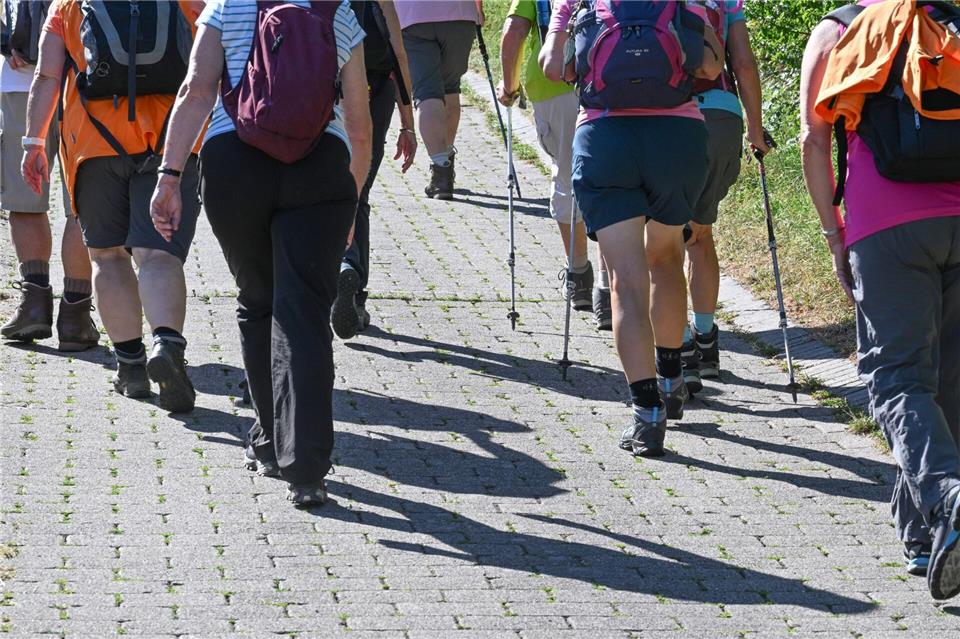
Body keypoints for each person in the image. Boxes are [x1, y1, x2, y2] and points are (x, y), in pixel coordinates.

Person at [150, 0, 372, 507]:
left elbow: (196, 91)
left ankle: (270, 444)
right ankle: (308, 471)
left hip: (234, 165)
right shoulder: (336, 12)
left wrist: (169, 175)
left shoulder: (227, 8)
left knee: (257, 301)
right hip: (321, 168)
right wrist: (351, 201)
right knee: (305, 315)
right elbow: (359, 123)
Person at [800, 0, 960, 598]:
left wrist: (833, 232)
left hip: (885, 225)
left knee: (897, 379)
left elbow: (814, 139)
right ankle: (924, 539)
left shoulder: (839, 29)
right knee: (947, 377)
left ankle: (948, 497)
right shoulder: (951, 22)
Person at [542, 1, 722, 457]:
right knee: (665, 260)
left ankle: (647, 414)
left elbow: (550, 66)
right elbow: (710, 64)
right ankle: (671, 376)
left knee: (625, 278)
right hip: (676, 140)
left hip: (605, 140)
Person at [23, 0, 204, 412]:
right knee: (158, 255)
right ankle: (167, 346)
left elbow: (48, 75)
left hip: (93, 145)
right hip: (170, 146)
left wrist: (33, 141)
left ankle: (131, 368)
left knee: (107, 257)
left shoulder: (69, 4)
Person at [496, 0, 611, 328]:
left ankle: (578, 276)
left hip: (554, 82)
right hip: (605, 78)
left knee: (566, 174)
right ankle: (607, 288)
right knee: (608, 180)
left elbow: (514, 31)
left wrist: (509, 86)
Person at [681, 0, 769, 392]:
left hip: (659, 118)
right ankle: (706, 343)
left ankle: (677, 346)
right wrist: (755, 128)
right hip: (720, 115)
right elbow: (744, 63)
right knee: (699, 234)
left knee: (660, 241)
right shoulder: (726, 2)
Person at [1, 0, 97, 351]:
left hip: (21, 80)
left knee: (25, 197)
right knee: (83, 203)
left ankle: (34, 305)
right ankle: (75, 314)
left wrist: (6, 38)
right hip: (88, 82)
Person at [332, 0, 417, 340]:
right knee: (359, 191)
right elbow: (399, 55)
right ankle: (353, 284)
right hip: (376, 89)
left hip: (323, 87)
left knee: (321, 188)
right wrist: (408, 123)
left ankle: (326, 276)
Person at [395, 0, 482, 199]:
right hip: (461, 15)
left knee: (426, 93)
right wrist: (479, 9)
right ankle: (446, 159)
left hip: (412, 17)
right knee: (450, 88)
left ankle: (441, 170)